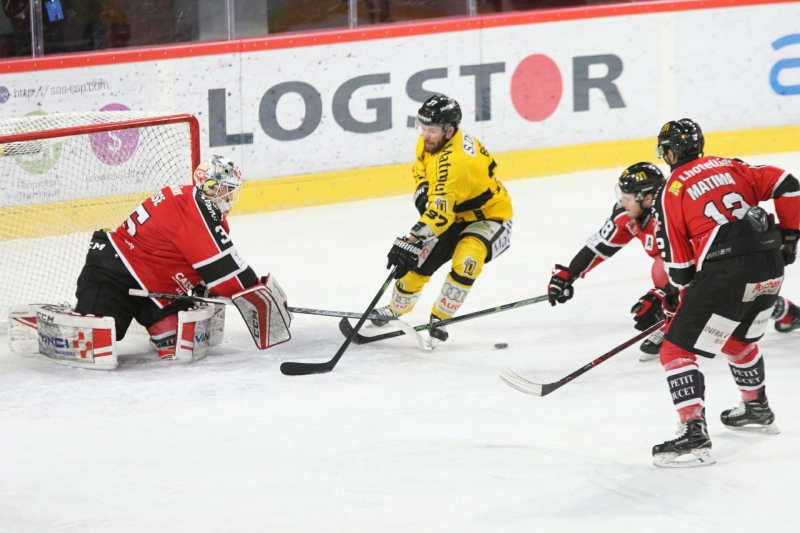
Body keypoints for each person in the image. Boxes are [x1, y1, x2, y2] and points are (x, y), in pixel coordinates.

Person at [647, 118, 800, 467]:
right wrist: (791, 237)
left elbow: (681, 265)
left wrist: (680, 294)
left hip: (726, 270)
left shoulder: (672, 187)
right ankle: (756, 408)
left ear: (670, 152)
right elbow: (789, 185)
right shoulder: (732, 165)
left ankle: (692, 435)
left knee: (675, 349)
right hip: (768, 267)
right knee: (736, 339)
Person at [73, 155, 280, 359]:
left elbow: (200, 265)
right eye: (226, 191)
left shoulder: (194, 204)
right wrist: (256, 290)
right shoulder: (194, 205)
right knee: (90, 341)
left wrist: (207, 287)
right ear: (211, 187)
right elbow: (224, 271)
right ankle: (58, 322)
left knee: (183, 340)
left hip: (156, 288)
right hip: (117, 273)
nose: (228, 199)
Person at [376, 94, 513, 345]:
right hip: (455, 214)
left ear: (449, 131)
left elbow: (441, 215)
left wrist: (411, 239)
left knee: (466, 262)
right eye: (423, 127)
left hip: (490, 218)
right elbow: (422, 168)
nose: (425, 134)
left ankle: (439, 319)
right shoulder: (430, 143)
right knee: (419, 260)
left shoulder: (457, 163)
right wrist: (422, 189)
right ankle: (395, 310)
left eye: (432, 130)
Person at [547, 162, 669, 361]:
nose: (622, 202)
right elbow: (600, 246)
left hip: (723, 270)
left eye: (627, 198)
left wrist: (664, 296)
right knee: (663, 267)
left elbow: (698, 260)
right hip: (695, 271)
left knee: (662, 269)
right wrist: (571, 273)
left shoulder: (673, 214)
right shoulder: (628, 215)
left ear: (647, 199)